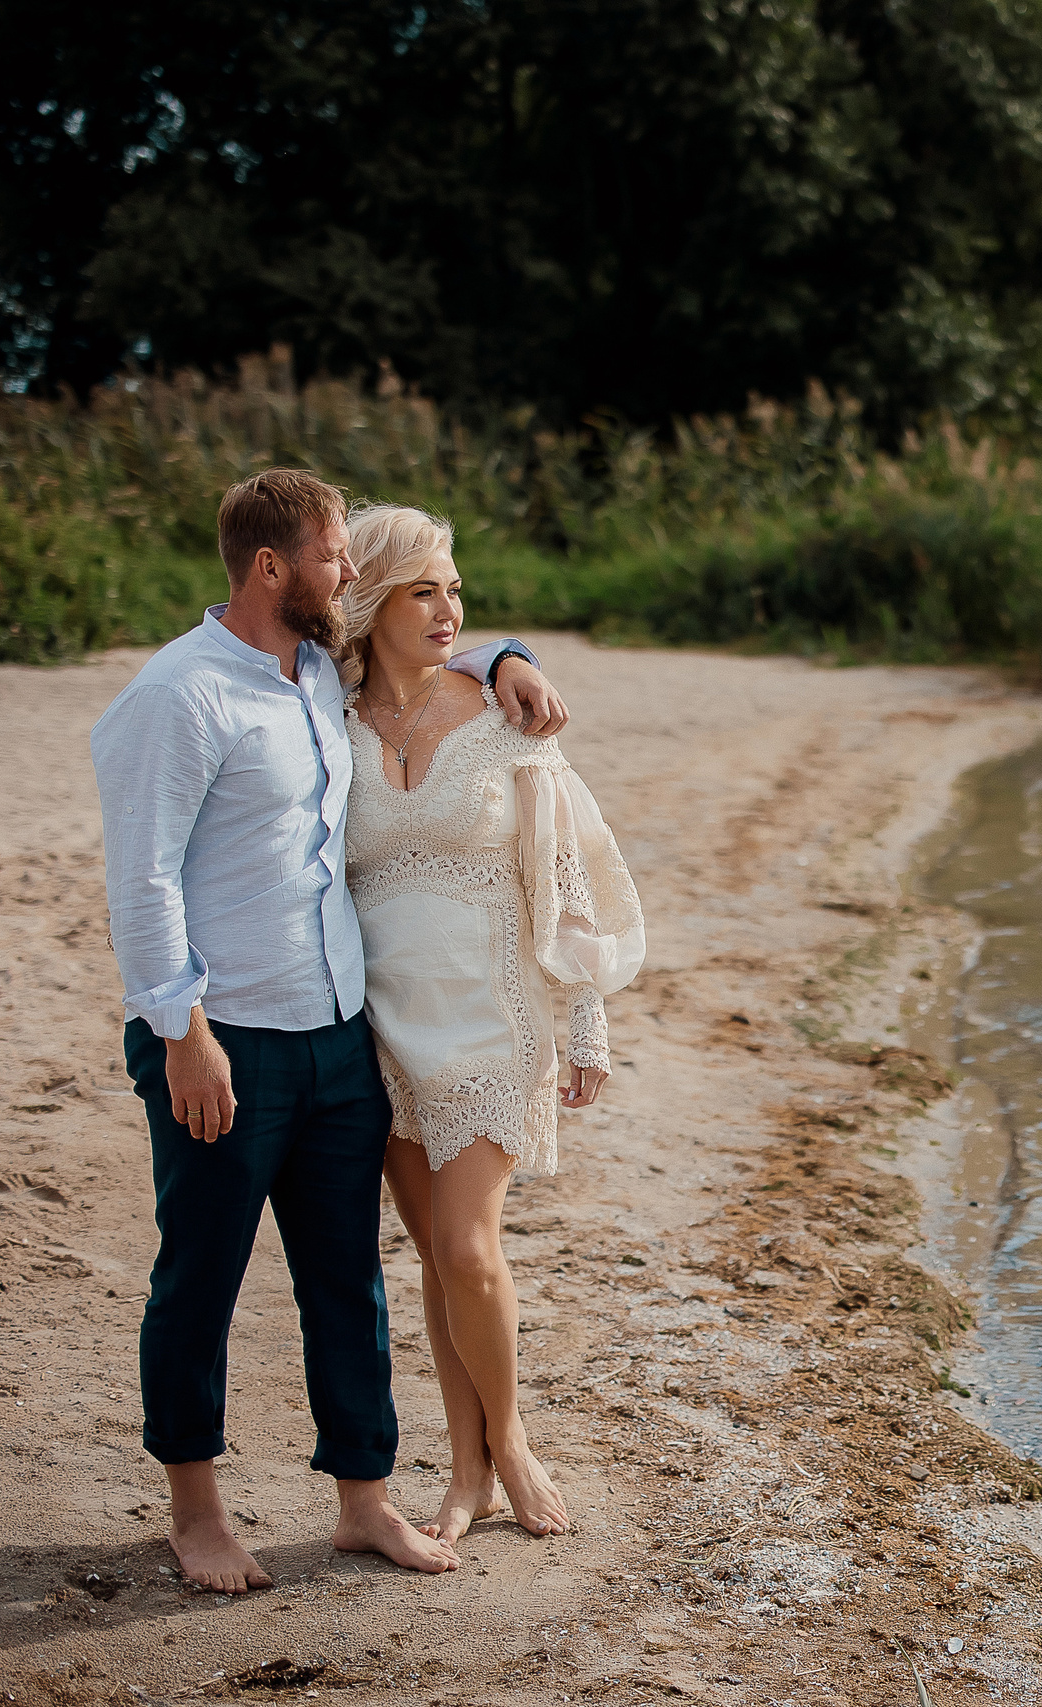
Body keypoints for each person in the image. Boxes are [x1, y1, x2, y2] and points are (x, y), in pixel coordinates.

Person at [91, 467, 572, 1593]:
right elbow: (142, 880)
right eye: (333, 556)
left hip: (342, 1038)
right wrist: (182, 1031)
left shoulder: (316, 670)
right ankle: (196, 1511)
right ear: (273, 567)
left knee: (345, 1282)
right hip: (224, 1038)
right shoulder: (178, 695)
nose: (349, 574)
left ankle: (363, 1501)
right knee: (200, 1277)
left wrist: (503, 654)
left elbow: (428, 639)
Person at [338, 504, 644, 1543]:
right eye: (424, 589)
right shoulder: (326, 720)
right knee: (433, 1253)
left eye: (454, 589)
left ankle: (507, 1440)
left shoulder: (503, 711)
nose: (448, 608)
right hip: (381, 1026)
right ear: (373, 600)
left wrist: (586, 1026)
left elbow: (565, 881)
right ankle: (462, 1468)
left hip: (495, 1015)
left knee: (468, 1248)